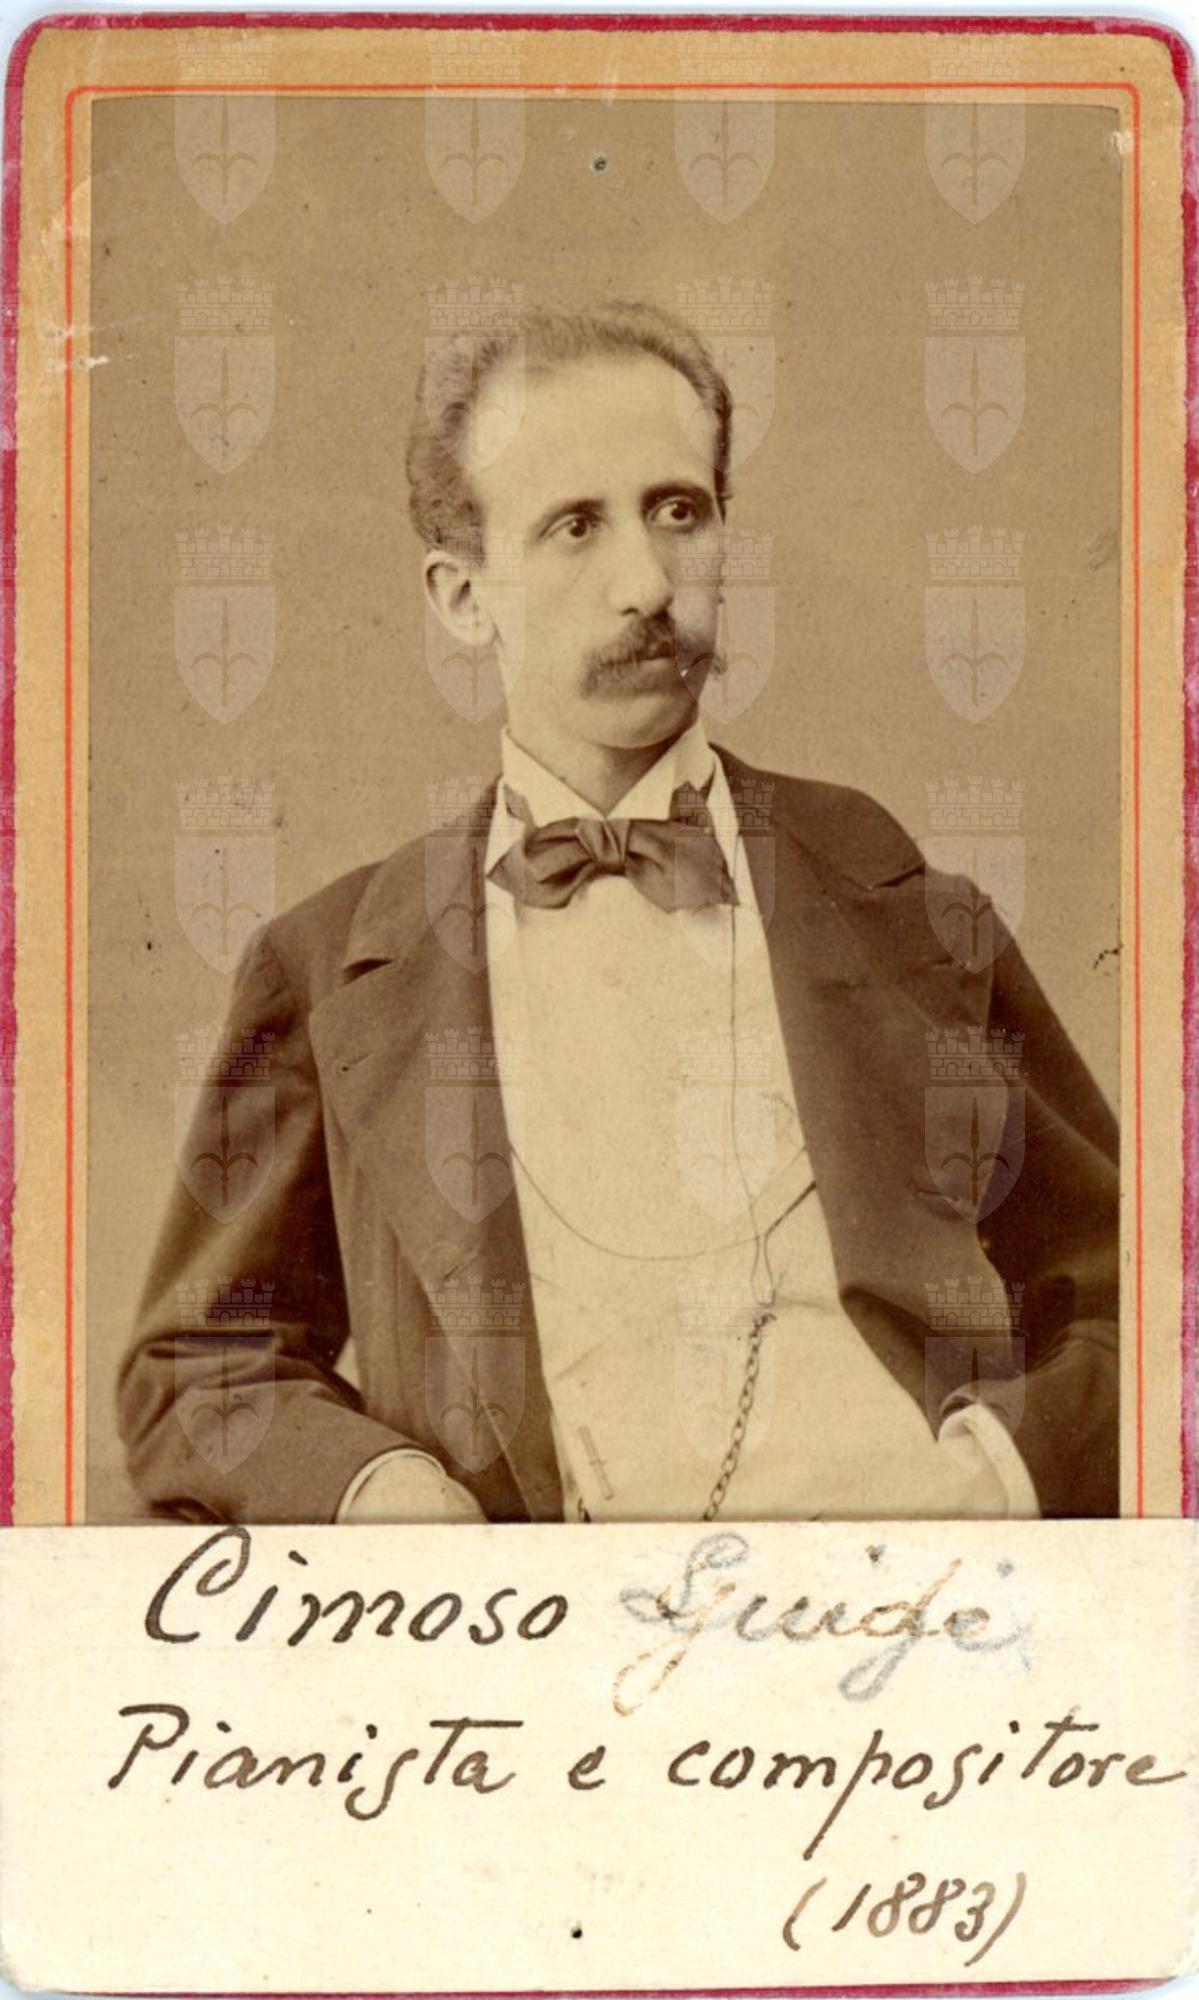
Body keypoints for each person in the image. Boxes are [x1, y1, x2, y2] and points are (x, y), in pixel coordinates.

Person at [119, 300, 1118, 1525]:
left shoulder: (898, 906)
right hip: (544, 1629)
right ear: (461, 596)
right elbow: (199, 1365)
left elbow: (1128, 1288)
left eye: (677, 511)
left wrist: (994, 1476)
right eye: (574, 525)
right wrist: (380, 1490)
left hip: (905, 1617)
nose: (645, 583)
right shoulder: (333, 965)